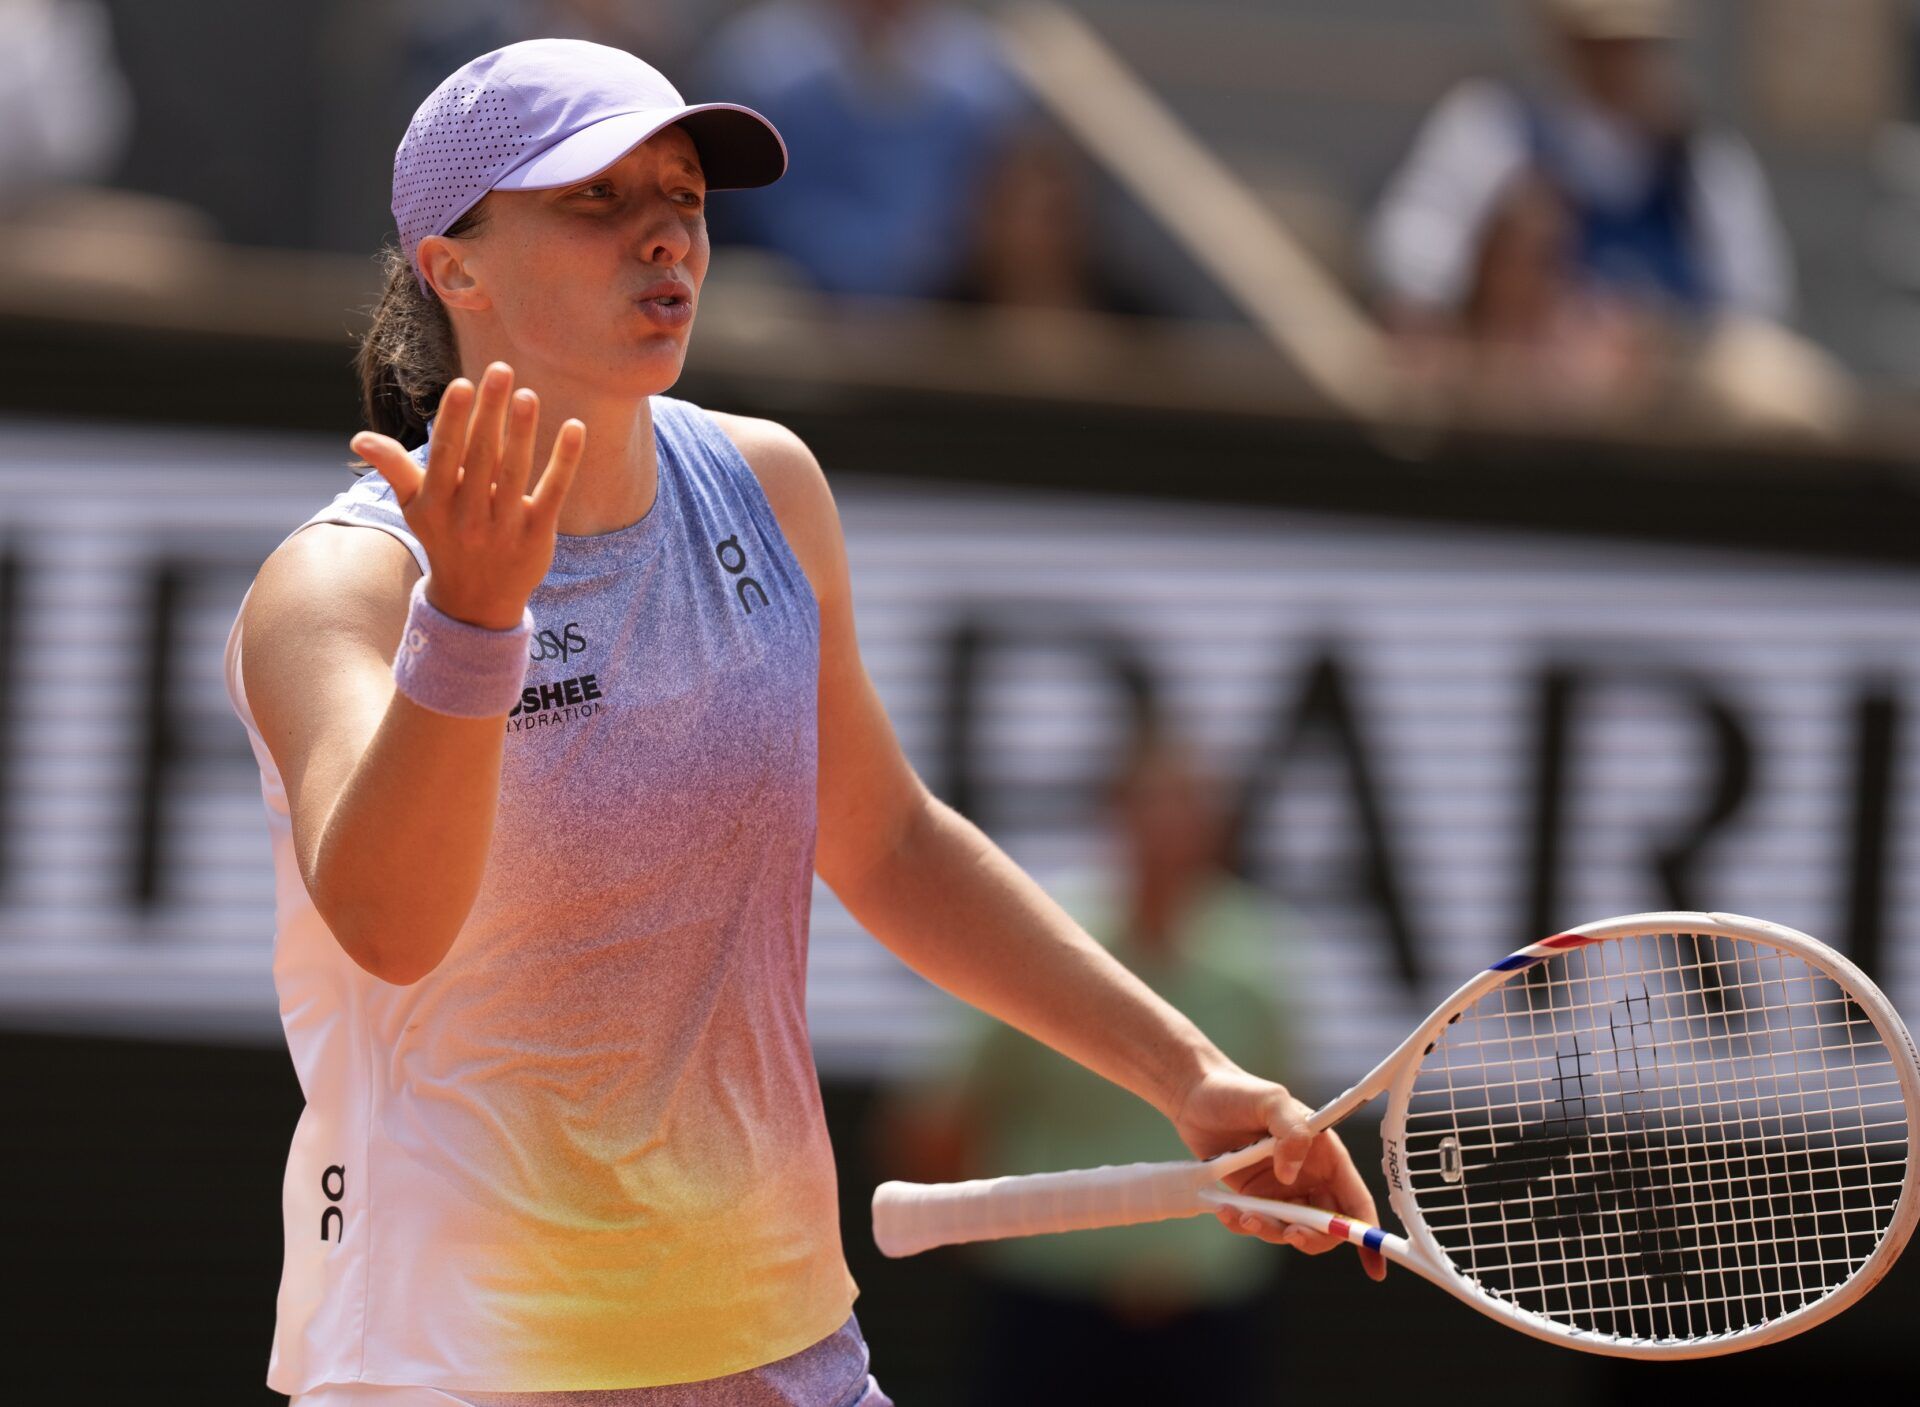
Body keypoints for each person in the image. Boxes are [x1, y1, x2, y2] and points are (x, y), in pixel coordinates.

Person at [221, 37, 1383, 1407]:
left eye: (687, 198)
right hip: (453, 1361)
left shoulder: (770, 490)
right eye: (598, 200)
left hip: (779, 1348)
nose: (666, 234)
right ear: (451, 263)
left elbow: (887, 838)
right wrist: (471, 629)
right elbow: (389, 925)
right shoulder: (339, 586)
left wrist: (1185, 1070)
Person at [888, 724, 1307, 1404]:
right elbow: (936, 1125)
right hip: (1045, 1317)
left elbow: (1281, 1147)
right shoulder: (1039, 945)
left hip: (1206, 1327)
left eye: (1188, 808)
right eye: (1152, 806)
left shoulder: (1257, 966)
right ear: (1114, 814)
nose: (1168, 830)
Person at [1367, 0, 1794, 336]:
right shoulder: (1495, 125)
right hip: (1518, 374)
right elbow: (1413, 252)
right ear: (1564, 40)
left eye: (1635, 43)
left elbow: (1754, 303)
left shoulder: (1699, 156)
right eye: (1603, 43)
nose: (1620, 60)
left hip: (1668, 388)